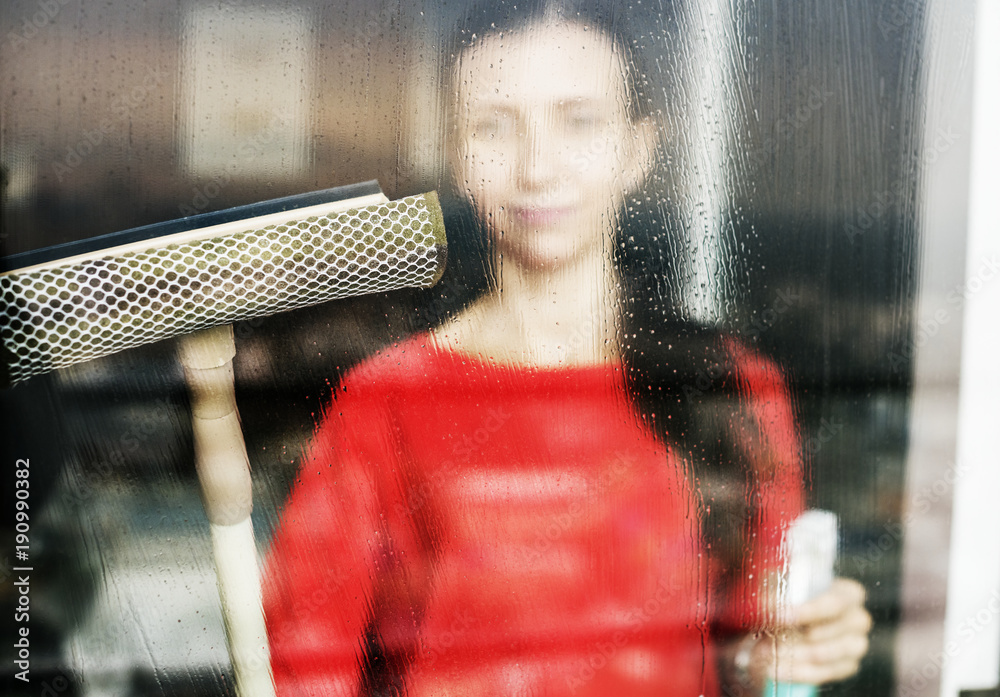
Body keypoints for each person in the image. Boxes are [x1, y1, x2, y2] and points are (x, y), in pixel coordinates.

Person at [263, 2, 872, 695]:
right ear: (459, 159)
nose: (537, 167)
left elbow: (747, 654)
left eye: (578, 121)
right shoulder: (386, 399)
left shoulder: (733, 384)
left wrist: (791, 653)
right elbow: (302, 669)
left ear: (637, 149)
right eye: (495, 127)